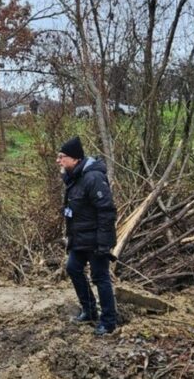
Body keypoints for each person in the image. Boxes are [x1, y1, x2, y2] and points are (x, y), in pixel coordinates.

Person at [57, 136, 118, 336]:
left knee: (100, 277)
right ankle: (89, 311)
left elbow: (107, 211)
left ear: (74, 159)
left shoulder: (93, 178)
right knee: (73, 268)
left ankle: (108, 322)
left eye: (62, 157)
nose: (58, 161)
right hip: (80, 239)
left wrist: (104, 242)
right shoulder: (74, 178)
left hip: (95, 240)